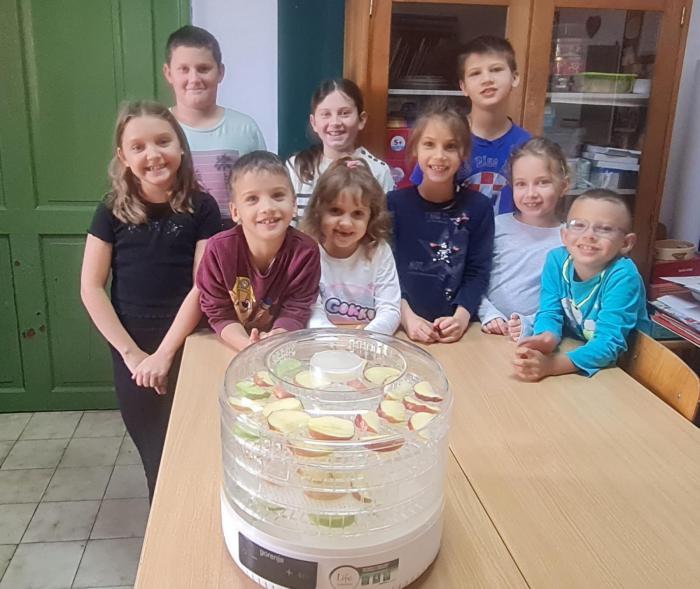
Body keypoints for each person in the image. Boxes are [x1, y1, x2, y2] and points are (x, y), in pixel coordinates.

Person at [81, 101, 221, 501]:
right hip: (132, 351)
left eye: (163, 141)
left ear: (180, 147)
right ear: (123, 157)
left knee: (194, 449)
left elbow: (202, 286)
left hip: (188, 342)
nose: (153, 154)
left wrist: (165, 354)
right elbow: (91, 287)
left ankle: (196, 522)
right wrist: (133, 356)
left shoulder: (203, 207)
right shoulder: (110, 211)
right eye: (138, 147)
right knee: (156, 457)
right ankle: (164, 530)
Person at [513, 189, 651, 381]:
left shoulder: (623, 276)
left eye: (605, 229)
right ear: (564, 234)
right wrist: (546, 337)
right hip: (584, 356)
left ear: (626, 243)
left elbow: (609, 344)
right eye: (578, 225)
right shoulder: (556, 261)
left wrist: (551, 366)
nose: (589, 235)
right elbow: (550, 312)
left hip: (626, 369)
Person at [388, 101, 494, 344]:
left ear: (464, 153)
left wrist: (461, 318)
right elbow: (383, 273)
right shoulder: (393, 204)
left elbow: (478, 272)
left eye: (450, 146)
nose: (439, 156)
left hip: (459, 333)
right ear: (415, 148)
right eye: (429, 144)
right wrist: (407, 318)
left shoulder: (479, 207)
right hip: (400, 328)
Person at [196, 151, 321, 351]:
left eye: (277, 195)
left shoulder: (306, 252)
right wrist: (247, 346)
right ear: (235, 212)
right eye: (252, 199)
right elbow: (218, 312)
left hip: (282, 344)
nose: (267, 207)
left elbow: (297, 308)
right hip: (228, 344)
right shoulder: (218, 251)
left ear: (294, 204)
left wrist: (276, 337)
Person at [411, 36, 531, 215]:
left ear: (514, 78)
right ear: (463, 86)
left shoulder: (527, 146)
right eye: (475, 73)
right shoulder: (444, 140)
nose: (487, 79)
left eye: (496, 69)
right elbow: (420, 199)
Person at [163, 25, 266, 224]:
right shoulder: (158, 129)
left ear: (220, 72)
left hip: (235, 237)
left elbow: (263, 188)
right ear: (168, 73)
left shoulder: (245, 129)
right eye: (184, 69)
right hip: (177, 236)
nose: (194, 79)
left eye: (203, 69)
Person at [479, 137, 567, 341]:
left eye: (542, 182)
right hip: (484, 331)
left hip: (534, 337)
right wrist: (488, 314)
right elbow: (473, 275)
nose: (531, 193)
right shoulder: (496, 226)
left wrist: (531, 323)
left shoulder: (569, 239)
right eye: (521, 184)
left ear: (564, 186)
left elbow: (566, 300)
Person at [302, 158, 400, 335]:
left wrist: (365, 338)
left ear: (372, 217)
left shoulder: (379, 251)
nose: (346, 223)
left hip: (369, 339)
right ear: (318, 211)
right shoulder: (308, 251)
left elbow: (390, 310)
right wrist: (339, 340)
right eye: (335, 211)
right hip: (324, 341)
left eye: (357, 214)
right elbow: (311, 311)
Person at [287, 78, 394, 223]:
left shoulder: (378, 171)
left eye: (344, 113)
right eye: (326, 114)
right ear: (314, 122)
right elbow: (288, 224)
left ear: (361, 120)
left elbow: (382, 226)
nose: (335, 122)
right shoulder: (298, 167)